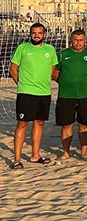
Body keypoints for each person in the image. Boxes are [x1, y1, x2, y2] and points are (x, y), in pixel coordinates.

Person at [9, 23, 58, 169]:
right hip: (26, 92)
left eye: (40, 33)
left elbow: (52, 69)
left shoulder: (50, 49)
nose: (36, 35)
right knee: (22, 124)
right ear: (30, 34)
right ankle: (17, 159)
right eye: (34, 33)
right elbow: (13, 68)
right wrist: (22, 84)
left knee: (39, 122)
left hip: (44, 92)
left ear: (44, 34)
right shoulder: (23, 48)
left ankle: (35, 155)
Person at [53, 29, 87, 159]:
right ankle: (66, 152)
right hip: (66, 95)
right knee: (67, 124)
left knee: (84, 124)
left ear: (85, 41)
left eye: (81, 40)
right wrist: (65, 81)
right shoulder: (62, 54)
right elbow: (54, 72)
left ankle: (84, 151)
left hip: (85, 94)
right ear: (71, 41)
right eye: (76, 40)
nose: (78, 42)